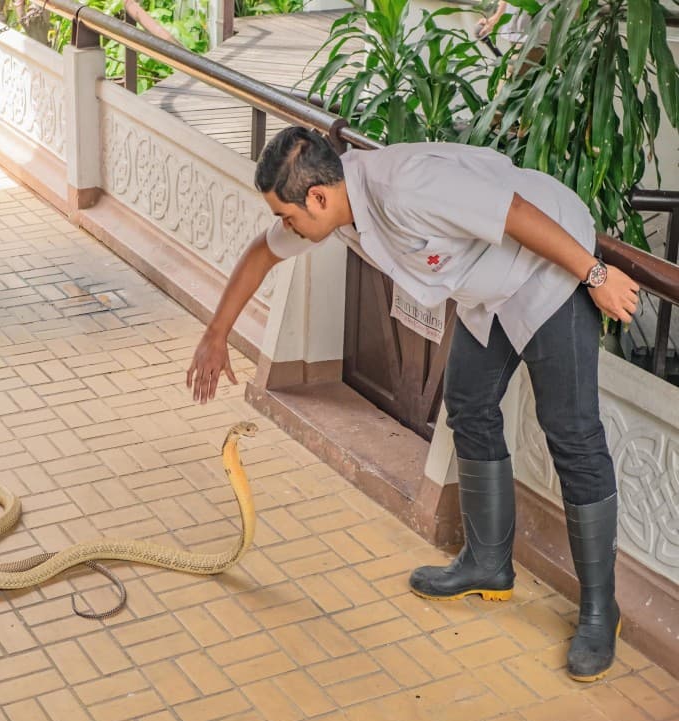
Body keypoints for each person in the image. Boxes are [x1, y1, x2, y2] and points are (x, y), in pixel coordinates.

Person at [186, 126, 640, 682]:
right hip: (489, 287)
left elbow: (515, 212)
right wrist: (215, 334)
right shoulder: (337, 206)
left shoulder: (406, 187)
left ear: (318, 198)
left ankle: (600, 610)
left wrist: (595, 275)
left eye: (288, 216)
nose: (287, 228)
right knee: (470, 405)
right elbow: (263, 253)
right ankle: (487, 564)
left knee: (570, 431)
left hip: (550, 267)